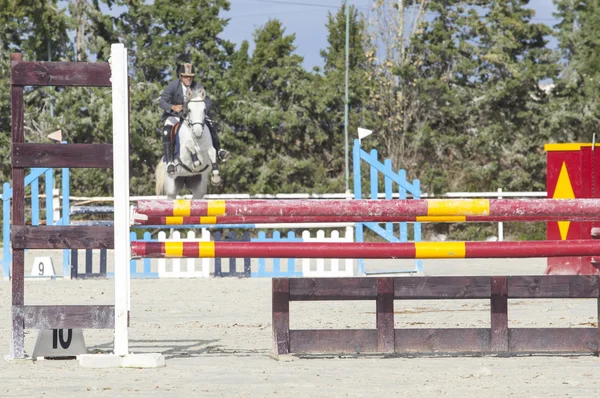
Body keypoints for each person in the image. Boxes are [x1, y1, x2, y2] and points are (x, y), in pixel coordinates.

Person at [159, 62, 230, 175]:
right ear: (180, 76)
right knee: (167, 130)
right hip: (176, 115)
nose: (189, 79)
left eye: (191, 77)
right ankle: (170, 161)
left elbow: (208, 100)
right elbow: (162, 101)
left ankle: (219, 151)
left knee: (210, 124)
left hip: (193, 116)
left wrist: (202, 106)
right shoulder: (173, 85)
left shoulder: (197, 86)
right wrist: (172, 107)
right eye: (186, 76)